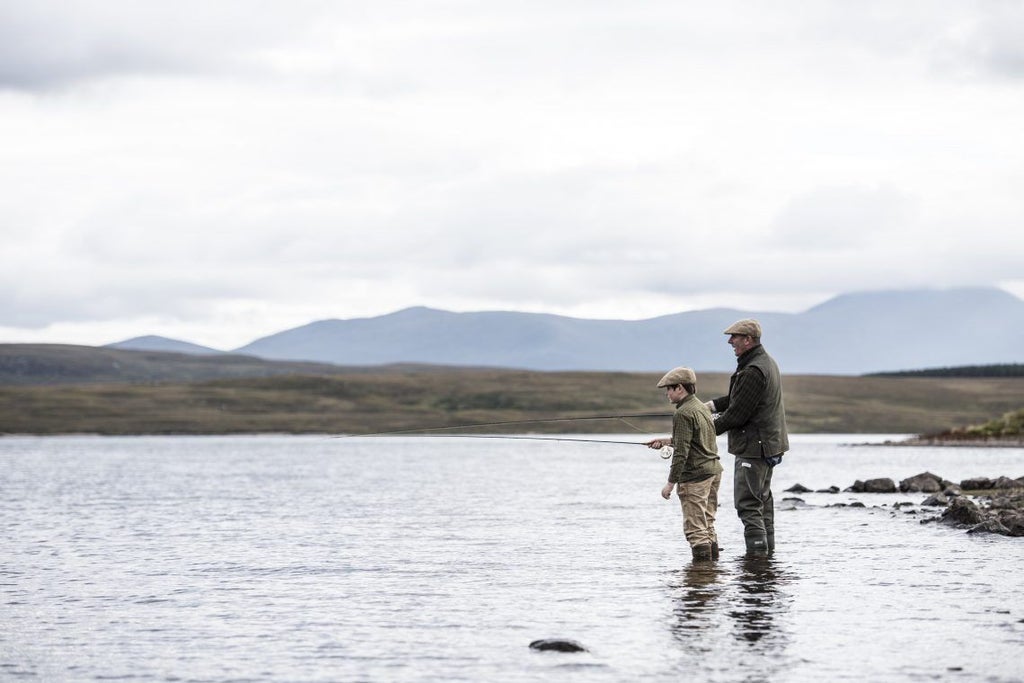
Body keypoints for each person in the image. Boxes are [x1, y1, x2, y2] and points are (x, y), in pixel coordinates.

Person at [705, 319, 789, 555]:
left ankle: (756, 561)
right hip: (767, 446)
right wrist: (709, 407)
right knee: (762, 502)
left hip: (754, 447)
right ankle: (766, 560)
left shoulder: (753, 369)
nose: (730, 341)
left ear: (748, 340)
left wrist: (702, 430)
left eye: (734, 337)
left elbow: (737, 415)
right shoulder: (764, 363)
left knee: (748, 504)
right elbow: (738, 399)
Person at [646, 366, 724, 562]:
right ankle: (712, 576)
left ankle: (700, 583)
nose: (667, 394)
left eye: (669, 389)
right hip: (713, 472)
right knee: (707, 524)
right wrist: (665, 441)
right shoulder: (700, 407)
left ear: (680, 388)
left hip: (695, 477)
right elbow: (694, 439)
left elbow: (682, 453)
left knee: (695, 530)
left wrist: (670, 484)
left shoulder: (682, 413)